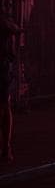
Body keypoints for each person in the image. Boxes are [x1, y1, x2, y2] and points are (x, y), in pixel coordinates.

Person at [0, 10, 20, 161]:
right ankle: (6, 148)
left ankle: (6, 147)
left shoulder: (4, 18)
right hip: (3, 66)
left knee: (4, 105)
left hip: (2, 66)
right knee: (4, 105)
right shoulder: (5, 18)